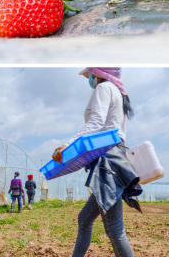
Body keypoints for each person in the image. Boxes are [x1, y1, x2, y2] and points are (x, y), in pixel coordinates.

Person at [52, 67, 140, 257]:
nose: (89, 79)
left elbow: (96, 124)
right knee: (84, 219)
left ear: (97, 73)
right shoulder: (118, 91)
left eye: (89, 75)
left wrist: (67, 146)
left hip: (106, 161)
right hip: (115, 157)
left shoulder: (103, 88)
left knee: (115, 230)